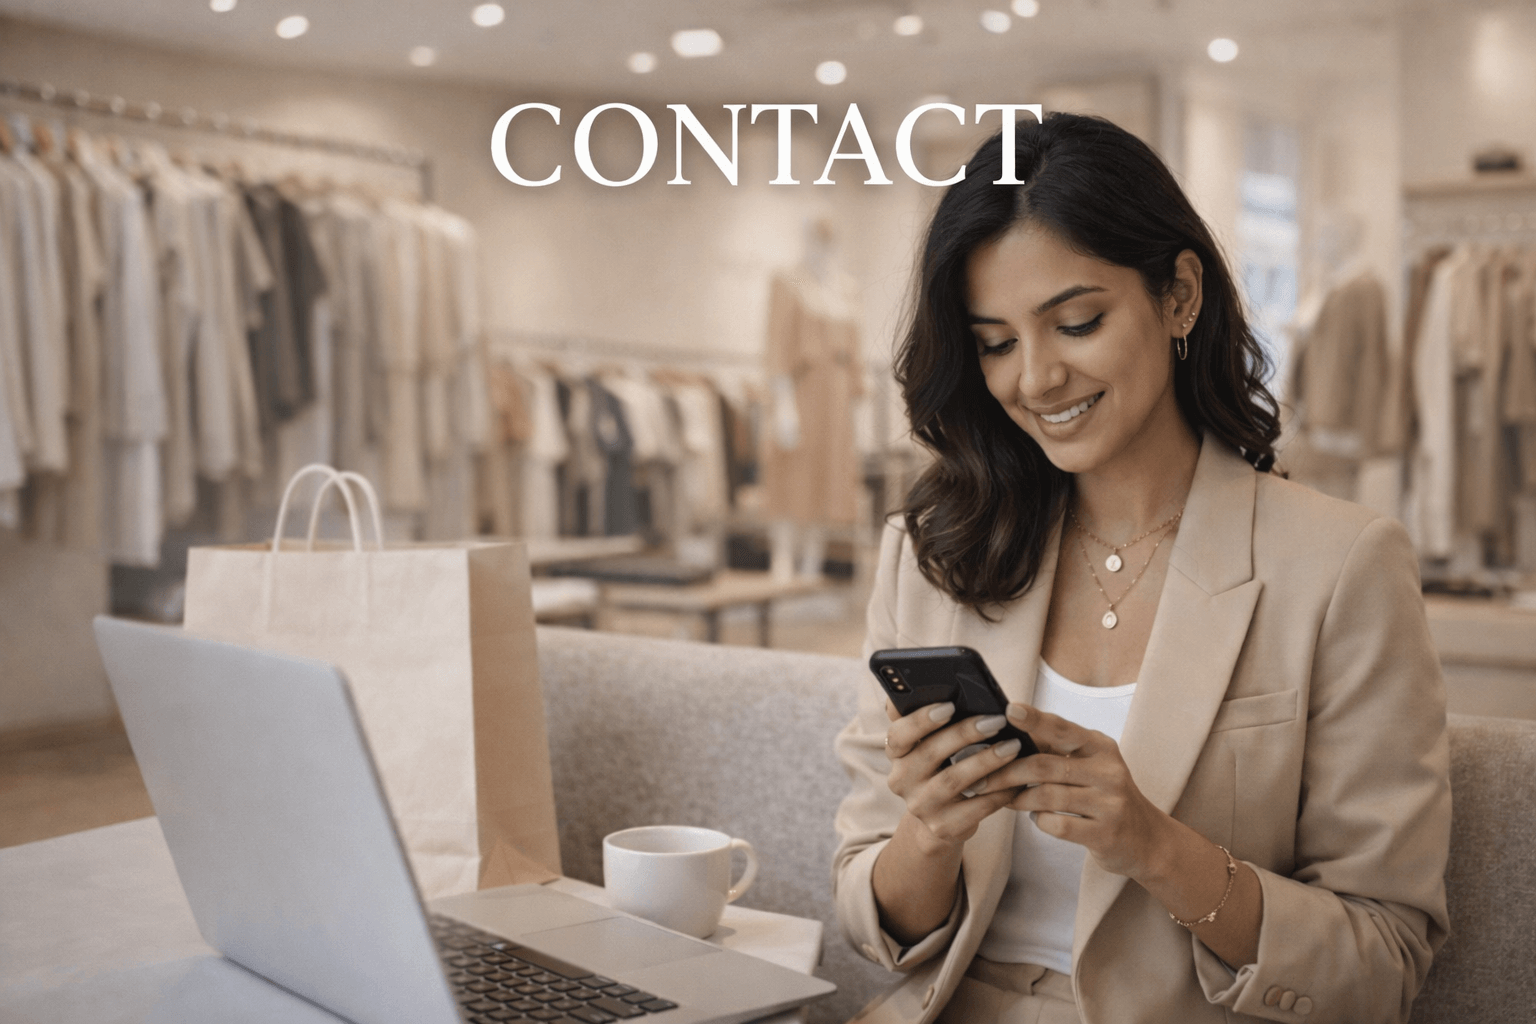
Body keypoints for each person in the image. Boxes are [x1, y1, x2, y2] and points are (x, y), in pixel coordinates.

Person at [832, 113, 1450, 1024]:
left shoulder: (1340, 567)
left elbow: (1385, 959)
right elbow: (869, 919)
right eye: (996, 342)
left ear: (1179, 296)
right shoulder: (931, 555)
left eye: (1075, 322)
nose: (1035, 379)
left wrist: (1156, 846)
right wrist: (928, 829)